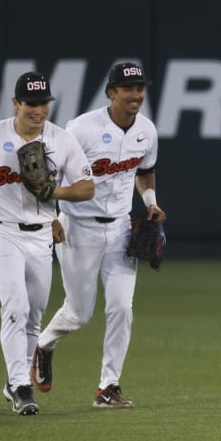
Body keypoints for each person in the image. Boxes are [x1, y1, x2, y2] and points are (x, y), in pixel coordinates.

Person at [0, 72, 94, 416]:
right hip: (1, 232)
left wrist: (55, 196)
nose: (38, 110)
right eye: (31, 103)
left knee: (34, 315)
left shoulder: (63, 139)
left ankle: (15, 380)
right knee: (15, 306)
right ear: (16, 103)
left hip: (42, 234)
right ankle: (21, 386)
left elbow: (87, 187)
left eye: (44, 102)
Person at [31, 62, 166, 408]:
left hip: (121, 228)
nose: (136, 95)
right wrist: (51, 217)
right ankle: (44, 344)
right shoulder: (81, 129)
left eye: (140, 89)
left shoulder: (147, 131)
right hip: (79, 228)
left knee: (122, 307)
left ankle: (109, 387)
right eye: (128, 89)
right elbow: (46, 175)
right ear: (111, 93)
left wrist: (150, 202)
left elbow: (145, 172)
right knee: (79, 312)